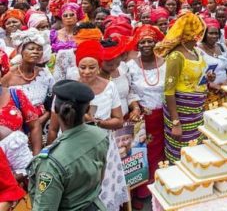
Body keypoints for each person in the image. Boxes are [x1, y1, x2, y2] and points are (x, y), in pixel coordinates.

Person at [28, 80, 109, 210]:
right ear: (87, 109)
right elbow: (100, 177)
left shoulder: (51, 163)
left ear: (55, 109)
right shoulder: (100, 135)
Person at [154, 12, 210, 163]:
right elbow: (169, 91)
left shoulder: (196, 51)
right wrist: (176, 123)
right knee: (182, 153)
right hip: (181, 114)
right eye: (200, 30)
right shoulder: (176, 57)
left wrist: (207, 78)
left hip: (196, 111)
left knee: (195, 150)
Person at [126, 25, 166, 205]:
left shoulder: (165, 62)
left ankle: (158, 185)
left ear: (156, 42)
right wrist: (135, 107)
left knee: (160, 152)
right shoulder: (130, 66)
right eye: (143, 42)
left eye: (150, 41)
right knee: (140, 152)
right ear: (138, 44)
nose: (147, 44)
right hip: (140, 118)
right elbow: (129, 91)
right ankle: (140, 192)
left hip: (162, 116)